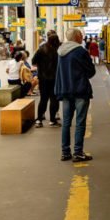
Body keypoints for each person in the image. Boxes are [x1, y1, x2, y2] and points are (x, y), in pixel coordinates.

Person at [55, 27, 97, 163]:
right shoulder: (80, 52)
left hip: (65, 91)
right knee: (80, 122)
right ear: (76, 37)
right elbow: (91, 71)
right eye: (81, 35)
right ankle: (78, 152)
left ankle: (65, 152)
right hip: (80, 90)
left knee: (66, 123)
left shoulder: (60, 52)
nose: (82, 37)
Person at [32, 31, 61, 128]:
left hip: (43, 78)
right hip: (55, 79)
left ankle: (39, 120)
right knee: (54, 99)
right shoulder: (59, 50)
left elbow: (33, 61)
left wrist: (41, 66)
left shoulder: (41, 49)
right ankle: (52, 120)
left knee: (43, 99)